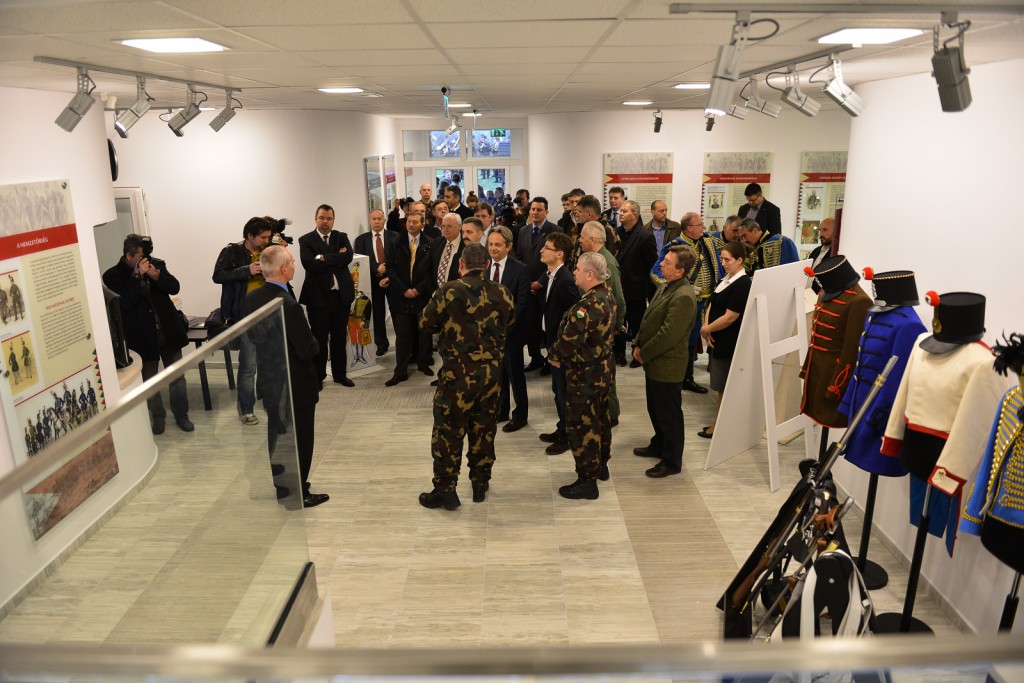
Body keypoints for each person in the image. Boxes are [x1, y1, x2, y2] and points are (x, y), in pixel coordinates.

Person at [418, 243, 514, 510]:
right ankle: (480, 483)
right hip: (491, 375)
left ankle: (446, 490)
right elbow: (510, 322)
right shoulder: (503, 292)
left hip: (456, 376)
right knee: (484, 429)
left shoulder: (448, 291)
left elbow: (425, 323)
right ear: (486, 265)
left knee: (448, 431)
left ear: (461, 264)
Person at [245, 245, 329, 508]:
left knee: (277, 435)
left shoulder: (253, 298)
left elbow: (253, 336)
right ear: (283, 269)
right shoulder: (288, 304)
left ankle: (283, 487)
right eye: (292, 262)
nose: (295, 265)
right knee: (300, 438)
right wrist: (316, 342)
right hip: (296, 383)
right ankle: (298, 492)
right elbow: (306, 349)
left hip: (270, 380)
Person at [103, 234, 192, 434]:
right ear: (128, 255)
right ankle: (158, 417)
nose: (145, 260)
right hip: (142, 336)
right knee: (150, 381)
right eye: (141, 256)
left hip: (167, 331)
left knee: (177, 378)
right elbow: (125, 304)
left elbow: (174, 287)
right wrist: (136, 277)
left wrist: (158, 277)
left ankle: (182, 415)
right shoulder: (113, 276)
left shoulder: (156, 264)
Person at [549, 251, 617, 500]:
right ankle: (601, 465)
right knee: (601, 419)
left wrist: (554, 355)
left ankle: (587, 481)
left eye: (577, 268)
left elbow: (570, 340)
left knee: (582, 425)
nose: (574, 272)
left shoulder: (586, 305)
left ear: (589, 274)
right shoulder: (607, 294)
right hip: (602, 370)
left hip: (585, 375)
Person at [632, 245, 697, 478]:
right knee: (655, 408)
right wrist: (637, 343)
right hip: (655, 362)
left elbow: (668, 335)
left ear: (680, 271)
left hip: (667, 364)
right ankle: (659, 444)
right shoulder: (666, 286)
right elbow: (648, 318)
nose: (661, 263)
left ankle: (671, 461)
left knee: (669, 415)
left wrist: (644, 353)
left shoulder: (684, 296)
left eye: (667, 262)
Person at [652, 212, 723, 394]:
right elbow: (655, 272)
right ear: (690, 228)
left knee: (704, 338)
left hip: (709, 301)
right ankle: (685, 378)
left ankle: (694, 376)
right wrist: (677, 289)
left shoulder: (709, 242)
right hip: (688, 303)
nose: (703, 227)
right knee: (686, 340)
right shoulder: (674, 247)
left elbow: (718, 268)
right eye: (700, 225)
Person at [212, 216, 273, 425]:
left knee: (268, 363)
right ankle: (246, 410)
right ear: (250, 235)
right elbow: (218, 275)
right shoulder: (232, 251)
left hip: (269, 314)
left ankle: (268, 401)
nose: (266, 241)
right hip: (245, 316)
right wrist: (247, 270)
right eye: (263, 237)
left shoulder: (269, 250)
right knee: (248, 366)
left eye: (268, 237)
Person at [698, 241, 751, 438]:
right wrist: (707, 328)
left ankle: (719, 426)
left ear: (740, 260)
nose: (723, 263)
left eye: (727, 260)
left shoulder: (743, 284)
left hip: (729, 341)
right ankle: (719, 422)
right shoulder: (726, 279)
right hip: (717, 338)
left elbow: (730, 317)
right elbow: (712, 304)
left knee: (724, 386)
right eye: (722, 259)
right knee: (720, 384)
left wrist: (707, 328)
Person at [298, 204, 355, 387]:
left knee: (339, 338)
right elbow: (309, 264)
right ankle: (319, 376)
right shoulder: (306, 240)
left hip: (340, 297)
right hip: (317, 298)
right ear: (315, 219)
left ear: (333, 220)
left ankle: (340, 375)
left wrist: (323, 257)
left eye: (329, 219)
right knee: (319, 339)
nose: (325, 222)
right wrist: (336, 258)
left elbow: (348, 257)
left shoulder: (341, 237)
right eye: (322, 218)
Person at [579, 221, 625, 426]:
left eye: (582, 237)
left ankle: (611, 414)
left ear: (592, 239)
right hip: (594, 327)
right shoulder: (595, 259)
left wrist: (616, 326)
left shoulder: (607, 263)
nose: (579, 240)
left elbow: (618, 299)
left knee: (606, 374)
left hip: (603, 329)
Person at [538, 232, 580, 456]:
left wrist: (562, 349)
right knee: (557, 389)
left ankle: (567, 436)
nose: (542, 250)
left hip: (561, 347)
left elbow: (574, 317)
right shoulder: (551, 275)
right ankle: (561, 427)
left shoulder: (564, 280)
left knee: (563, 391)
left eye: (547, 248)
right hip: (552, 341)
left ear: (559, 254)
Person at [384, 212, 435, 386]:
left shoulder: (430, 243)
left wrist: (418, 289)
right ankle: (400, 371)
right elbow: (390, 269)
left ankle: (423, 364)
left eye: (415, 222)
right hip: (400, 295)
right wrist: (404, 290)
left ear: (422, 224)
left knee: (424, 333)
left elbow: (431, 271)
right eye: (408, 221)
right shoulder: (394, 242)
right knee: (403, 336)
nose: (411, 224)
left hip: (422, 296)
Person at [488, 226, 530, 432]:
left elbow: (522, 304)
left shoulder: (520, 269)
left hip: (511, 333)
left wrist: (503, 325)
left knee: (515, 376)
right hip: (489, 335)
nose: (493, 248)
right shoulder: (484, 267)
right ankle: (502, 410)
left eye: (497, 245)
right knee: (498, 375)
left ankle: (520, 415)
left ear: (508, 246)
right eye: (490, 244)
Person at [516, 197, 562, 372]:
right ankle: (535, 358)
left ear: (546, 212)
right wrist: (526, 282)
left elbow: (557, 261)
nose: (535, 212)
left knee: (549, 326)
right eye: (533, 209)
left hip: (547, 285)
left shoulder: (555, 230)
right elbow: (519, 257)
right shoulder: (523, 231)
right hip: (527, 287)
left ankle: (551, 361)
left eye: (539, 210)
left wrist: (540, 282)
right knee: (531, 325)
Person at [616, 200, 658, 368]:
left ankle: (638, 353)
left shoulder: (645, 236)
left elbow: (652, 265)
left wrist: (648, 289)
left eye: (624, 211)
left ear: (634, 214)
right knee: (619, 322)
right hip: (618, 288)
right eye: (620, 211)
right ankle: (619, 353)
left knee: (637, 324)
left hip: (636, 289)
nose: (621, 214)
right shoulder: (615, 233)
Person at [354, 208, 399, 356]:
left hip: (393, 280)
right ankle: (381, 344)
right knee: (378, 314)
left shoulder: (395, 236)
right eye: (374, 219)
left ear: (384, 220)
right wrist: (376, 268)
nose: (377, 221)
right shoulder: (361, 240)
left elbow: (400, 257)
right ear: (369, 221)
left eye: (379, 219)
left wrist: (387, 268)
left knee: (397, 312)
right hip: (373, 281)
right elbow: (360, 260)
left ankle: (402, 342)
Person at [807, 217, 835, 293]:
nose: (821, 234)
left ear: (835, 231)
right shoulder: (816, 251)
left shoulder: (836, 254)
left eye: (825, 230)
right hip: (808, 295)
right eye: (820, 230)